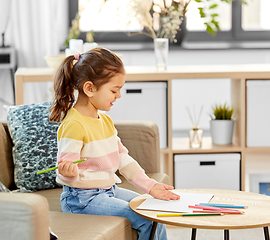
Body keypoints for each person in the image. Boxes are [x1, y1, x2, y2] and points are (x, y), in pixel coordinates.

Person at [49, 47, 180, 240]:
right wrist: (67, 173)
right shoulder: (74, 125)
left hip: (109, 191)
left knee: (152, 212)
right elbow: (68, 171)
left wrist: (151, 187)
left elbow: (123, 159)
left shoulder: (106, 121)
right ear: (89, 88)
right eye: (114, 90)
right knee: (144, 217)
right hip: (82, 199)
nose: (118, 96)